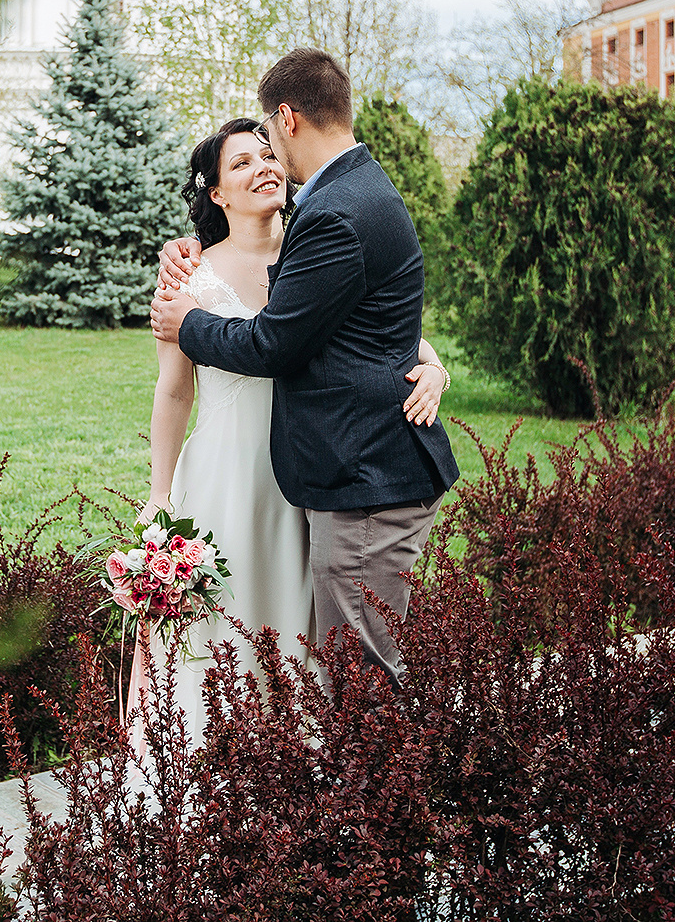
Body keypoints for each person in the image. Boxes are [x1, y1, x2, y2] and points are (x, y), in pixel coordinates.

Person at [136, 115, 447, 748]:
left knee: (303, 620)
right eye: (241, 164)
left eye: (265, 155)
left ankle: (299, 766)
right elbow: (173, 392)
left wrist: (434, 366)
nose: (263, 168)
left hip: (308, 472)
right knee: (227, 617)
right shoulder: (190, 278)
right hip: (226, 474)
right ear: (217, 194)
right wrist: (160, 496)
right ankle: (205, 766)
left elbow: (375, 329)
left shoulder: (314, 243)